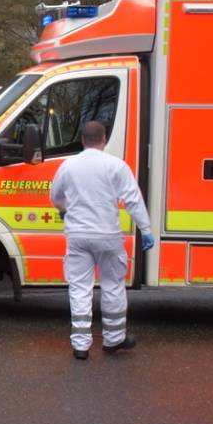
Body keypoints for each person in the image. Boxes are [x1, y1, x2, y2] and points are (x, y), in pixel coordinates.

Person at [49, 121, 155, 360]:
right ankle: (114, 339)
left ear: (82, 139)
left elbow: (56, 196)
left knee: (79, 288)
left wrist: (65, 210)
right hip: (108, 236)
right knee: (113, 285)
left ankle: (80, 346)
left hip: (77, 235)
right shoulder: (116, 166)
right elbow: (133, 200)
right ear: (104, 139)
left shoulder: (68, 166)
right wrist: (145, 229)